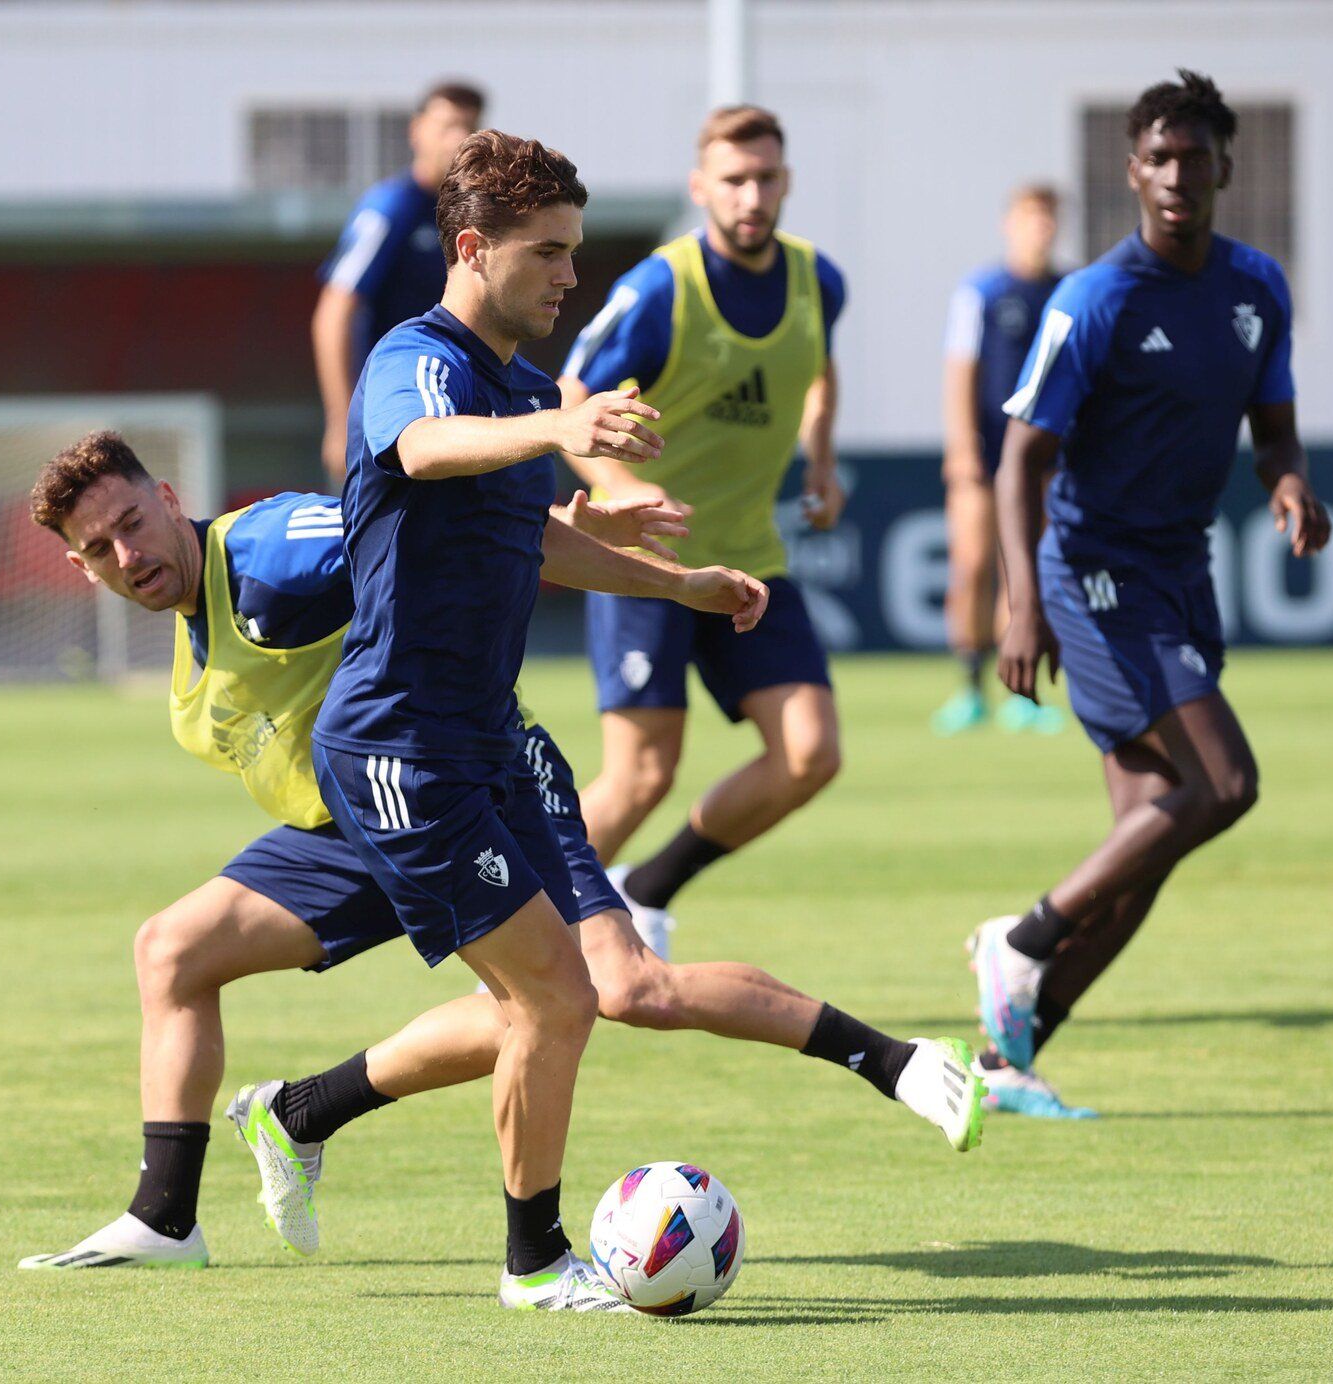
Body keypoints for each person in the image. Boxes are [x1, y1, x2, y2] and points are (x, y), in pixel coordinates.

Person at [309, 128, 982, 1308]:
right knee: (555, 995)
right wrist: (557, 431)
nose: (571, 277)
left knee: (599, 985)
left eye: (575, 252)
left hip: (498, 743)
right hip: (400, 746)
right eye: (548, 254)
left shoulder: (520, 385)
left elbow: (536, 536)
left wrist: (680, 583)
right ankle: (530, 1264)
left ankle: (304, 1109)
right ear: (471, 248)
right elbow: (422, 449)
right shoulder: (418, 362)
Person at [968, 70, 1331, 1119]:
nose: (1176, 175)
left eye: (1194, 157)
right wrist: (1018, 603)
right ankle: (1021, 936)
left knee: (1145, 849)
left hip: (1180, 570)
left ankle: (1006, 1058)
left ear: (1224, 166)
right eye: (1156, 158)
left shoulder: (1255, 288)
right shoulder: (1094, 300)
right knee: (1224, 783)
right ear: (1131, 172)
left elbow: (1272, 429)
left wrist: (1291, 481)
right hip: (1092, 574)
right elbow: (1017, 458)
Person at [557, 105, 845, 958]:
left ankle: (647, 890)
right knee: (642, 774)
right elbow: (569, 401)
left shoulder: (818, 281)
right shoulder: (659, 290)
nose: (752, 195)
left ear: (786, 181)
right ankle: (520, 940)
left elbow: (819, 373)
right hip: (645, 563)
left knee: (810, 754)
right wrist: (620, 484)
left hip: (750, 559)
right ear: (700, 188)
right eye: (734, 179)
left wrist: (820, 462)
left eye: (766, 177)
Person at [935, 184, 1066, 738]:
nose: (1039, 228)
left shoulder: (1067, 290)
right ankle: (969, 690)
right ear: (1009, 224)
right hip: (985, 453)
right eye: (1029, 217)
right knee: (971, 568)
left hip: (1040, 456)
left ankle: (1022, 693)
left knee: (1025, 572)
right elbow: (961, 368)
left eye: (1048, 218)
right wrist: (962, 445)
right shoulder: (982, 291)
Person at [311, 81, 485, 481]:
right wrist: (341, 422)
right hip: (394, 414)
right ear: (416, 130)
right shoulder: (392, 207)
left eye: (468, 127)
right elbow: (334, 312)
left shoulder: (471, 212)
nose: (457, 139)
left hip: (454, 410)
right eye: (446, 126)